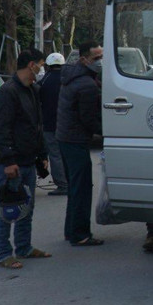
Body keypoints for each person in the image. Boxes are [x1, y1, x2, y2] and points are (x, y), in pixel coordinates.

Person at [0, 48, 51, 268]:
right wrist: (8, 161)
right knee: (7, 209)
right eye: (41, 64)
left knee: (27, 208)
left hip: (28, 160)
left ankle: (24, 247)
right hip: (12, 162)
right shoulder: (8, 92)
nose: (42, 69)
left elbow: (37, 125)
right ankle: (4, 254)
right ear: (31, 65)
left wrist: (42, 154)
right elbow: (2, 129)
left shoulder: (33, 89)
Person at [56, 42, 104, 247]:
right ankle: (80, 234)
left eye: (102, 56)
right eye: (96, 58)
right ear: (84, 59)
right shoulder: (86, 85)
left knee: (75, 188)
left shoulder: (73, 76)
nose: (100, 62)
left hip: (65, 138)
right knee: (82, 188)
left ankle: (71, 230)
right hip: (76, 140)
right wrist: (109, 132)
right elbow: (89, 119)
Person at [38, 52, 68, 197]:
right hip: (68, 124)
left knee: (55, 155)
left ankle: (62, 185)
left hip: (50, 124)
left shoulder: (45, 80)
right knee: (67, 154)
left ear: (48, 66)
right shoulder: (68, 79)